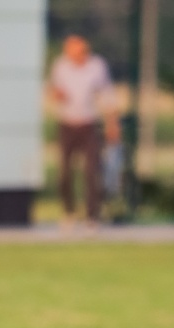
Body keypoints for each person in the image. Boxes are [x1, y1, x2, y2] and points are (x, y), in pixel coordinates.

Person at [47, 35, 120, 227]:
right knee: (64, 172)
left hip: (89, 124)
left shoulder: (97, 67)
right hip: (67, 123)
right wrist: (57, 95)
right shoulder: (61, 66)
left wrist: (112, 124)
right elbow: (53, 90)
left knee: (91, 171)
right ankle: (68, 212)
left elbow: (107, 95)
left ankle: (92, 216)